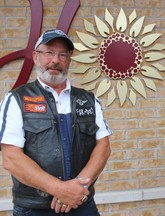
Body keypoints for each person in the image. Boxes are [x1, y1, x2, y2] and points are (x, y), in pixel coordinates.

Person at [0, 29, 112, 215]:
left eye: (62, 54)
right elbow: (11, 158)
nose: (55, 60)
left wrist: (77, 189)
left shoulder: (88, 99)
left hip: (82, 204)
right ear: (36, 57)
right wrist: (59, 189)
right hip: (34, 209)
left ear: (69, 60)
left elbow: (103, 147)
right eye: (49, 52)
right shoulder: (16, 99)